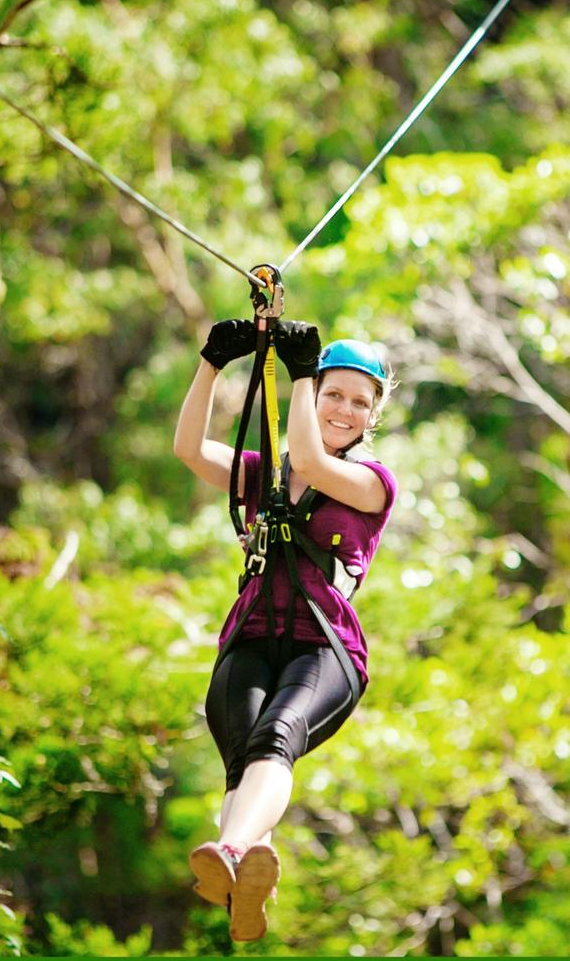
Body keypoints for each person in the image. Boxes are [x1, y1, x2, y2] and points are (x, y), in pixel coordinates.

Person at [173, 318, 397, 941]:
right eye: (333, 394)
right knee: (244, 763)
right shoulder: (263, 473)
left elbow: (313, 462)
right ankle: (247, 877)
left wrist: (300, 376)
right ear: (316, 393)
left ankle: (233, 851)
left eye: (360, 402)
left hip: (324, 647)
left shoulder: (372, 484)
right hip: (248, 638)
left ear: (372, 416)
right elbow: (190, 449)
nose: (345, 410)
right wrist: (211, 363)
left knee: (277, 734)